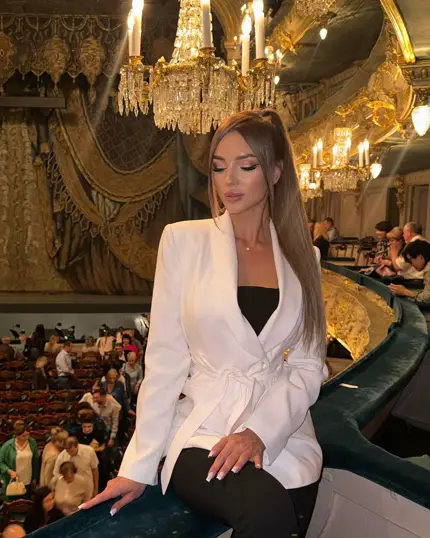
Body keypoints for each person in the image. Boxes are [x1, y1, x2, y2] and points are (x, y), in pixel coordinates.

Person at [82, 109, 327, 538]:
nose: (228, 180)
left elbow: (308, 366)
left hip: (282, 433)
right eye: (218, 166)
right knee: (265, 508)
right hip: (202, 428)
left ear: (275, 172)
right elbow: (165, 362)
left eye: (246, 166)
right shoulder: (183, 241)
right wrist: (137, 466)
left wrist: (260, 432)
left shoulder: (306, 257)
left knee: (294, 497)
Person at [0, 421, 39, 499]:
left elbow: (35, 461)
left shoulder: (32, 442)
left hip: (27, 480)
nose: (27, 437)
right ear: (16, 435)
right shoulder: (8, 445)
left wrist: (35, 477)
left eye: (28, 434)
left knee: (25, 502)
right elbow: (0, 462)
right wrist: (9, 471)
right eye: (23, 436)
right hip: (12, 481)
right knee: (12, 503)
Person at [379, 222, 426, 287]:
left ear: (408, 233)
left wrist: (394, 251)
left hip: (416, 280)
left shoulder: (412, 245)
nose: (403, 235)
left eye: (404, 233)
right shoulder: (425, 242)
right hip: (421, 279)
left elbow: (397, 267)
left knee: (386, 281)